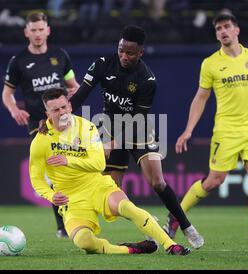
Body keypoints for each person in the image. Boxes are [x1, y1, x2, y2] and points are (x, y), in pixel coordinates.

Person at [69, 25, 204, 249]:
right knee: (115, 192)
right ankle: (151, 227)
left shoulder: (147, 79)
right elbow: (80, 96)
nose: (123, 55)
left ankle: (186, 225)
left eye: (130, 52)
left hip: (139, 128)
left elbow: (138, 119)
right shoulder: (103, 63)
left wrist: (113, 143)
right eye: (121, 49)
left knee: (157, 182)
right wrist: (61, 116)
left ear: (140, 52)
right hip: (110, 126)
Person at [165, 13, 248, 240]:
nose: (223, 31)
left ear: (237, 30)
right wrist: (188, 130)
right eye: (218, 28)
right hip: (226, 130)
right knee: (214, 181)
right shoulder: (211, 64)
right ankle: (176, 214)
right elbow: (201, 98)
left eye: (227, 26)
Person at [29, 87, 190, 255]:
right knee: (84, 241)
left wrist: (69, 160)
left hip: (97, 186)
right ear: (47, 113)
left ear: (70, 106)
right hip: (72, 198)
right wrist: (51, 195)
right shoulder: (41, 141)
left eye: (64, 107)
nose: (62, 112)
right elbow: (36, 178)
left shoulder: (86, 128)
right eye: (55, 110)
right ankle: (131, 249)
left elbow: (99, 164)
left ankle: (171, 245)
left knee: (127, 207)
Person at [2, 12, 80, 238]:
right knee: (55, 170)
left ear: (48, 30)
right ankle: (63, 225)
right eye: (33, 30)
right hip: (40, 124)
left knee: (72, 167)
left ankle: (74, 218)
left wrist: (76, 91)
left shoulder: (60, 56)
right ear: (26, 32)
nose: (37, 34)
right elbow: (7, 94)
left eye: (40, 29)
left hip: (66, 120)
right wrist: (14, 109)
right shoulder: (18, 62)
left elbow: (72, 84)